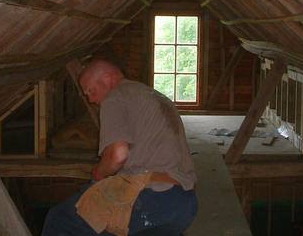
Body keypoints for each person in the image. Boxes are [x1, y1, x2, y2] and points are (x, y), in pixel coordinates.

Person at [42, 59, 198, 236]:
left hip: (151, 198)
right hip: (185, 204)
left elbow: (118, 155)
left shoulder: (115, 96)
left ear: (108, 78)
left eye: (90, 91)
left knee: (61, 218)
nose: (91, 100)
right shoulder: (156, 97)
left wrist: (97, 175)